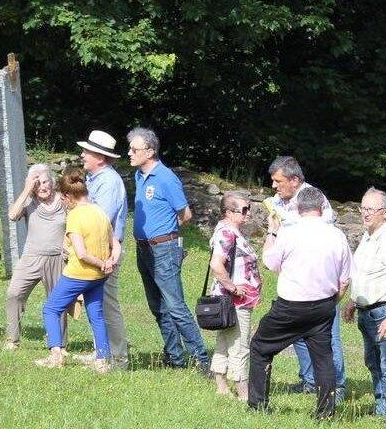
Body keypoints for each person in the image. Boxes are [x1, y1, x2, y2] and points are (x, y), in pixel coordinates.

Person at [249, 187, 352, 419]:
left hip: (291, 305)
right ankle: (325, 412)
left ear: (297, 208)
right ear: (323, 208)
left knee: (260, 347)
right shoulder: (337, 235)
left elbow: (270, 263)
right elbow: (345, 280)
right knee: (323, 358)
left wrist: (272, 233)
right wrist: (332, 301)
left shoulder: (290, 233)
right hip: (324, 304)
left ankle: (258, 404)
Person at [127, 126, 210, 374]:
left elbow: (185, 214)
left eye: (134, 149)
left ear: (150, 151)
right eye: (130, 148)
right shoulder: (139, 176)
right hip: (143, 250)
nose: (129, 152)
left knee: (175, 306)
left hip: (163, 248)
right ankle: (175, 357)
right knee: (157, 306)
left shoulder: (165, 178)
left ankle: (201, 359)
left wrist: (167, 235)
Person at [266, 156, 346, 399]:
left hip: (319, 279)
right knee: (298, 334)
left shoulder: (315, 199)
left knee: (327, 336)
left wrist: (283, 228)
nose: (274, 186)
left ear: (295, 180)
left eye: (278, 181)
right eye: (273, 181)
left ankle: (337, 386)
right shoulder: (280, 200)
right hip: (294, 275)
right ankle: (310, 380)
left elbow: (322, 232)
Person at [34, 167, 122, 373]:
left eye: (62, 198)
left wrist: (101, 263)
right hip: (99, 277)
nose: (62, 203)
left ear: (67, 196)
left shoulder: (74, 216)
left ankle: (55, 355)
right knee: (96, 315)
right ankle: (102, 360)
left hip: (79, 273)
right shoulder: (99, 211)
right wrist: (110, 261)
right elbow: (115, 243)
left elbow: (81, 253)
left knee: (51, 309)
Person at [341, 188, 386, 424]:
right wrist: (353, 301)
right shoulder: (368, 236)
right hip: (366, 310)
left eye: (371, 209)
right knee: (373, 362)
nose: (365, 213)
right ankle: (384, 408)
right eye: (363, 208)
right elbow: (365, 275)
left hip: (385, 310)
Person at [76, 130, 130, 369]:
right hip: (94, 249)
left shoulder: (108, 182)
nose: (82, 154)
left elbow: (101, 221)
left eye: (86, 151)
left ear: (100, 157)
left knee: (107, 305)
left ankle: (118, 358)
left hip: (105, 251)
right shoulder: (95, 179)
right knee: (94, 303)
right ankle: (102, 352)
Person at [3, 163, 69, 350]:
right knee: (14, 293)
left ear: (52, 181)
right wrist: (26, 189)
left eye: (45, 181)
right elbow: (12, 215)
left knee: (58, 302)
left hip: (58, 258)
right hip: (31, 257)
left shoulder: (63, 200)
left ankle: (59, 345)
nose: (42, 187)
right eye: (37, 183)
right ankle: (12, 340)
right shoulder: (29, 201)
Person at [207, 191, 263, 401]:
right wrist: (234, 288)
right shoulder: (227, 232)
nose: (248, 214)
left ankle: (221, 387)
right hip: (235, 301)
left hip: (231, 301)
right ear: (229, 212)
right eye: (245, 209)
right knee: (240, 346)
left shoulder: (229, 231)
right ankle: (243, 393)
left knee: (224, 341)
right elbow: (216, 265)